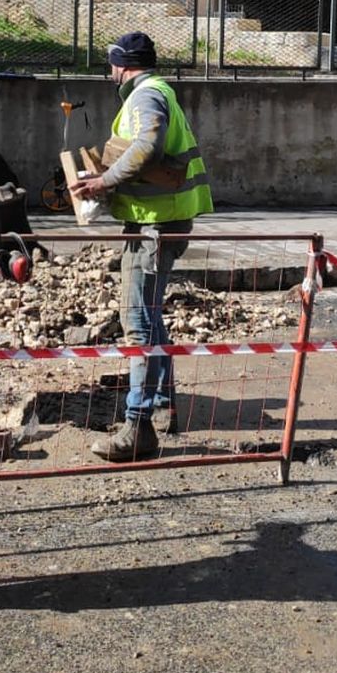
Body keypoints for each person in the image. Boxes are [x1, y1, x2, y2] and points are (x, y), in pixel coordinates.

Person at [70, 31, 213, 462]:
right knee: (149, 316)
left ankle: (138, 427)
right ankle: (162, 405)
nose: (109, 71)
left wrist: (103, 181)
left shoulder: (146, 96)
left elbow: (148, 146)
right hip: (159, 222)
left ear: (122, 64)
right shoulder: (154, 91)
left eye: (111, 63)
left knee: (137, 323)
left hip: (155, 227)